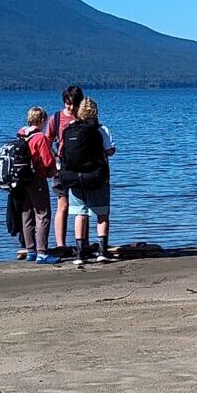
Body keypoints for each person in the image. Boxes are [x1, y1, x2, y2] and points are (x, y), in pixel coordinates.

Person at [55, 97, 115, 266]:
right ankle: (102, 252)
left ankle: (80, 253)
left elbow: (62, 153)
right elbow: (110, 151)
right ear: (95, 112)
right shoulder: (101, 129)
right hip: (97, 177)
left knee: (80, 214)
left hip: (75, 178)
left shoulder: (69, 129)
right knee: (102, 214)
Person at [46, 85, 86, 252]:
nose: (70, 108)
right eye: (68, 103)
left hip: (81, 167)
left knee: (82, 207)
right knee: (62, 205)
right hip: (61, 166)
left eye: (74, 104)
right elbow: (47, 142)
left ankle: (82, 242)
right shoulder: (55, 119)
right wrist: (53, 159)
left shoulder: (85, 118)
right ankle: (60, 244)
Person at [12, 106, 53, 261]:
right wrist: (53, 171)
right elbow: (48, 161)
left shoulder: (21, 135)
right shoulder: (39, 137)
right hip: (36, 178)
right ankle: (42, 252)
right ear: (42, 120)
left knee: (27, 213)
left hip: (22, 180)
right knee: (43, 214)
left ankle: (30, 250)